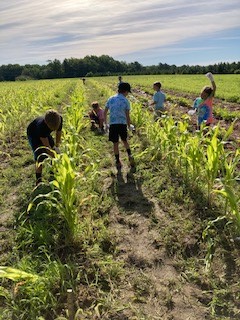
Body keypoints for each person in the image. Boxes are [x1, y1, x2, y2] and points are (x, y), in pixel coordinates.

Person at [27, 109, 63, 185]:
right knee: (40, 156)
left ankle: (52, 172)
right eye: (52, 128)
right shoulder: (41, 127)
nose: (54, 130)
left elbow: (58, 133)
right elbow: (47, 147)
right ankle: (38, 180)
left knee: (54, 150)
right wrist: (54, 155)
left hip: (45, 134)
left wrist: (57, 146)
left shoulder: (59, 119)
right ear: (46, 123)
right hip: (33, 134)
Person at [104, 82, 135, 170]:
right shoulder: (126, 101)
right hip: (122, 124)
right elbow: (127, 115)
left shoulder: (111, 99)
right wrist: (129, 126)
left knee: (115, 143)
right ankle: (130, 155)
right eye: (127, 92)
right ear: (125, 91)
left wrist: (106, 123)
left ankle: (117, 161)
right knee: (125, 140)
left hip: (113, 124)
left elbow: (105, 111)